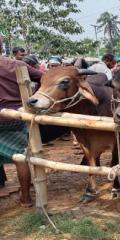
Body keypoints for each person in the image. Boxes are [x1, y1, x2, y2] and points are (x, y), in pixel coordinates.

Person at [0, 36, 43, 207]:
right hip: (16, 116)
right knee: (20, 158)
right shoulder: (17, 65)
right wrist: (34, 99)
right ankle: (26, 198)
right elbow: (45, 78)